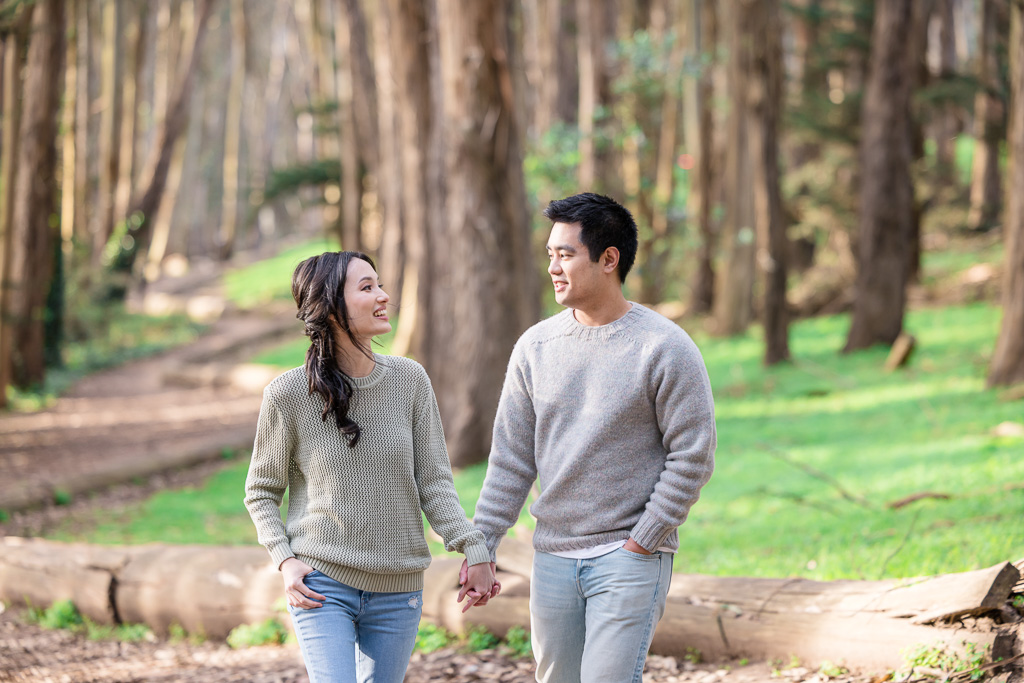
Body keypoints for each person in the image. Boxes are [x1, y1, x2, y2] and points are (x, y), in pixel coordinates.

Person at [464, 193, 717, 683]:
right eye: (550, 255)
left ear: (608, 259)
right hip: (554, 557)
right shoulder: (535, 347)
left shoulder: (663, 346)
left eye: (566, 254)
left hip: (628, 554)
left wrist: (643, 542)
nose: (554, 267)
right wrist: (484, 545)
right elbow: (511, 460)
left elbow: (693, 455)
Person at [244, 251, 498, 683]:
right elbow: (261, 491)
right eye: (366, 288)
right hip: (322, 583)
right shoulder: (286, 395)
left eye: (379, 285)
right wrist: (285, 561)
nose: (383, 297)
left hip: (399, 589)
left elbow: (434, 482)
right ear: (329, 307)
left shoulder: (409, 380)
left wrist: (472, 547)